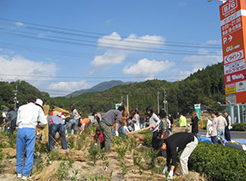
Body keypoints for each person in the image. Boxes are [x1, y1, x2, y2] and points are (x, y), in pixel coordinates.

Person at [16, 97, 47, 180]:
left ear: (27, 102)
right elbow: (44, 122)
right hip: (30, 129)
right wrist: (40, 126)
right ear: (35, 102)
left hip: (21, 129)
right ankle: (26, 174)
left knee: (20, 151)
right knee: (30, 152)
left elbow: (17, 121)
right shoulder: (38, 108)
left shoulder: (21, 107)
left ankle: (19, 172)